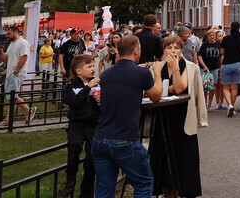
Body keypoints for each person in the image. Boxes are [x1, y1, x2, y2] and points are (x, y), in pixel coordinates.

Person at [92, 34, 164, 198]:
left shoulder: (106, 75)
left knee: (104, 189)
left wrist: (140, 70)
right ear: (137, 51)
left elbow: (124, 83)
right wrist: (157, 72)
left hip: (100, 139)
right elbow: (156, 96)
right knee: (144, 184)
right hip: (124, 139)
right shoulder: (142, 74)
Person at [148, 34, 206, 198]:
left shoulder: (190, 66)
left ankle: (180, 193)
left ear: (181, 50)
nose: (173, 51)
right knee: (164, 165)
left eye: (176, 47)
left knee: (182, 162)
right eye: (169, 47)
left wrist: (174, 70)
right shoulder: (157, 67)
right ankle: (167, 193)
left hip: (183, 119)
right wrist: (161, 78)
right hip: (162, 118)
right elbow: (154, 90)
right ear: (163, 49)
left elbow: (180, 88)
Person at [60, 54, 100, 198]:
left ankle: (87, 190)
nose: (92, 69)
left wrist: (101, 100)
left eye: (93, 66)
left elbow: (102, 108)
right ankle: (70, 181)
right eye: (89, 66)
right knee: (75, 146)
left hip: (93, 126)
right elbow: (73, 102)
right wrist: (87, 88)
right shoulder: (71, 87)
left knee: (91, 161)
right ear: (78, 71)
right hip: (77, 124)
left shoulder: (97, 85)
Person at [0, 26, 36, 124]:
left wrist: (16, 72)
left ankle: (28, 110)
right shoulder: (11, 44)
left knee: (13, 96)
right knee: (11, 98)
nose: (7, 36)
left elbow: (24, 57)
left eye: (9, 34)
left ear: (15, 32)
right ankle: (8, 120)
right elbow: (5, 60)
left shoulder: (23, 43)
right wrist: (1, 51)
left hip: (16, 74)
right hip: (11, 74)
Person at [221, 21, 240, 117]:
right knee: (234, 87)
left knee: (225, 87)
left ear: (231, 28)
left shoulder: (226, 39)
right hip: (239, 64)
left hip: (227, 64)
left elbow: (222, 52)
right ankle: (231, 106)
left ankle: (230, 105)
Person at [198, 29, 221, 110]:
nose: (212, 37)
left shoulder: (218, 44)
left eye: (213, 35)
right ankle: (204, 103)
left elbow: (220, 56)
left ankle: (209, 104)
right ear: (207, 37)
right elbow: (200, 56)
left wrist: (220, 66)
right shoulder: (204, 45)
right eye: (210, 35)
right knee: (204, 86)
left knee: (212, 86)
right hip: (204, 68)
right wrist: (204, 66)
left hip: (214, 68)